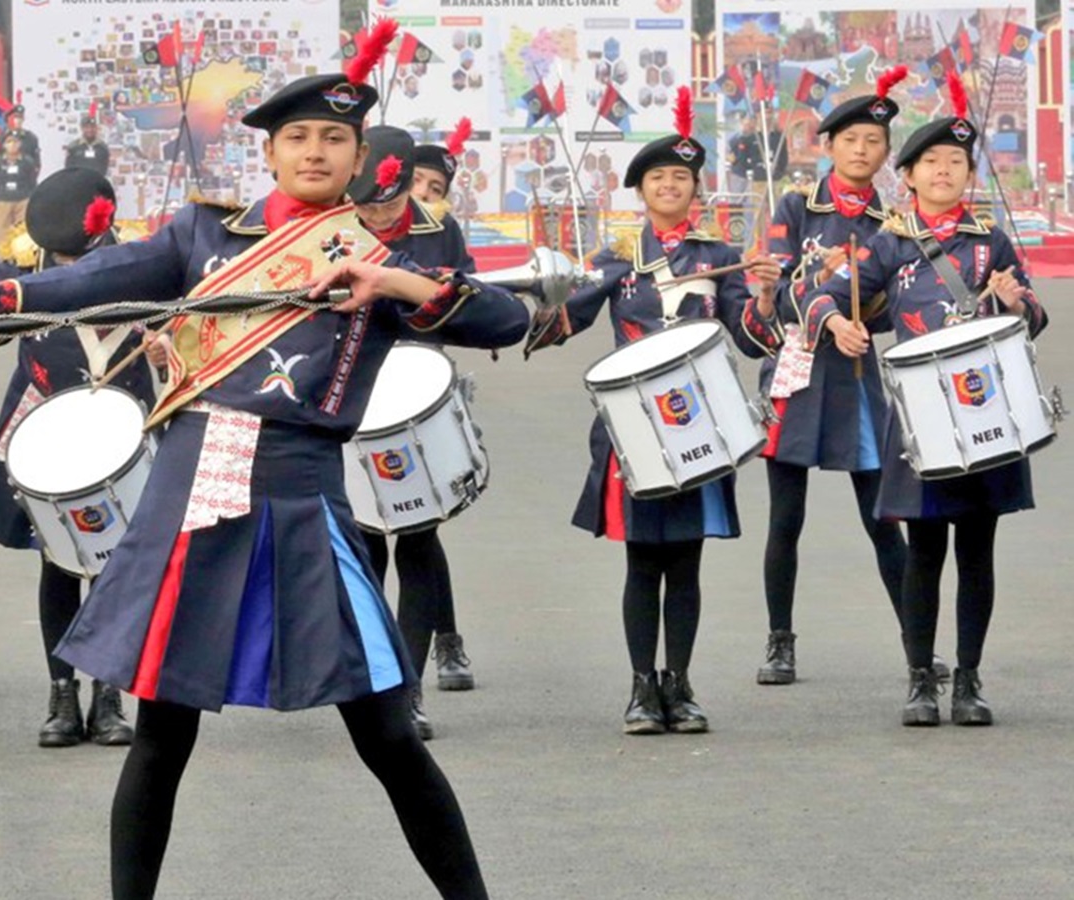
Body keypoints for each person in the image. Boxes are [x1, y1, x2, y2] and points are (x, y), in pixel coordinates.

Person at [0, 25, 525, 896]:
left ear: (360, 153)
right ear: (272, 151)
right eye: (297, 137)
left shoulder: (382, 258)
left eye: (334, 137)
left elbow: (508, 322)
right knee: (161, 734)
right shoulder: (203, 235)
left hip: (302, 494)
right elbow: (85, 281)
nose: (316, 150)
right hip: (192, 488)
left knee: (388, 734)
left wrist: (398, 286)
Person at [526, 88, 783, 735]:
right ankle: (641, 689)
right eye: (657, 177)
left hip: (701, 426)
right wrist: (542, 301)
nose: (670, 185)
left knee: (686, 563)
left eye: (681, 177)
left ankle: (681, 685)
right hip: (631, 433)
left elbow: (751, 337)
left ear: (695, 191)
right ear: (638, 192)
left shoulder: (718, 258)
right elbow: (563, 320)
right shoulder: (617, 261)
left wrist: (763, 294)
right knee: (642, 561)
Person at [801, 73, 1046, 727]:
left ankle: (967, 680)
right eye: (930, 161)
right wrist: (837, 323)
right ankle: (918, 680)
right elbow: (822, 295)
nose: (943, 171)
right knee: (924, 552)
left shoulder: (991, 242)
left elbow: (1035, 316)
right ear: (905, 176)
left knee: (976, 552)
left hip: (985, 416)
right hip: (917, 426)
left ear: (968, 175)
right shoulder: (888, 244)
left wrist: (1017, 301)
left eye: (955, 162)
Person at [0, 167, 147, 748]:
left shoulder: (141, 260)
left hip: (124, 425)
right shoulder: (20, 260)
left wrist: (172, 339)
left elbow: (193, 320)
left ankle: (109, 696)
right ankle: (61, 693)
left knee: (117, 568)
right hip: (47, 426)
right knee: (60, 562)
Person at [754, 67, 915, 686]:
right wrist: (806, 291)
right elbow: (776, 287)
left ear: (884, 154)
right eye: (849, 139)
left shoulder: (894, 224)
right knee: (785, 521)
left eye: (873, 142)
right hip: (797, 373)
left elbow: (903, 302)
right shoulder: (796, 207)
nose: (860, 150)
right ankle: (779, 641)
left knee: (883, 518)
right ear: (827, 146)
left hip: (859, 379)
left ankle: (915, 642)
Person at [349, 124, 478, 741]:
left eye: (391, 193)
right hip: (347, 400)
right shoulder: (331, 223)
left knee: (419, 541)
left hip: (417, 401)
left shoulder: (438, 228)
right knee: (365, 551)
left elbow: (466, 294)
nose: (379, 206)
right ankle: (374, 682)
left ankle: (409, 688)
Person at [0, 132, 39, 246]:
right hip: (3, 200)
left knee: (23, 232)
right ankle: (2, 258)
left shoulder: (27, 161)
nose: (12, 145)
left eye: (15, 142)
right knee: (1, 232)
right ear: (4, 145)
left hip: (22, 200)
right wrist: (1, 193)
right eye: (9, 142)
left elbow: (32, 181)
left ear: (20, 144)